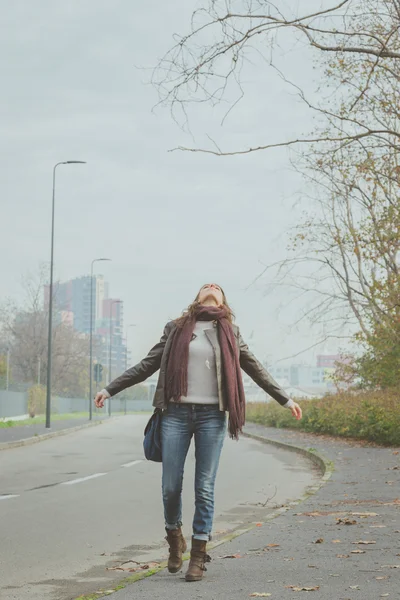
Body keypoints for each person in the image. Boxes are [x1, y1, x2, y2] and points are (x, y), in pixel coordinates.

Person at [94, 283, 302, 582]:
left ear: (223, 301)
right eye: (206, 286)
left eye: (216, 287)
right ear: (197, 297)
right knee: (170, 486)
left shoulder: (230, 332)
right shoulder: (176, 328)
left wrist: (285, 398)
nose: (211, 288)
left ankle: (199, 556)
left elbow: (254, 367)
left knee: (204, 486)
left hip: (212, 416)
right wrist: (110, 388)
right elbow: (148, 364)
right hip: (175, 414)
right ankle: (174, 537)